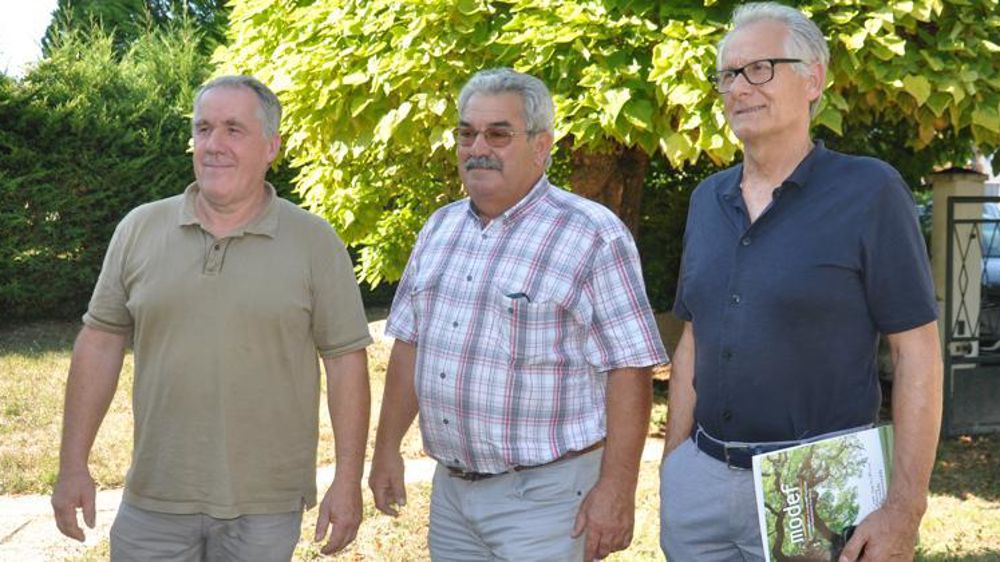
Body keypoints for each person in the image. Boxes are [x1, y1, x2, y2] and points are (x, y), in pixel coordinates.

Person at [659, 3, 943, 561]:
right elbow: (694, 338)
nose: (740, 87)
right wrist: (675, 468)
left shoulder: (869, 192)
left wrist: (905, 507)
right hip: (702, 482)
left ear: (813, 79)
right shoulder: (706, 200)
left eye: (760, 68)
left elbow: (918, 356)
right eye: (728, 74)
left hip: (817, 483)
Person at [50, 75, 373, 561]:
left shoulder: (314, 241)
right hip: (154, 497)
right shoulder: (140, 228)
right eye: (203, 129)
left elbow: (346, 362)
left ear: (271, 146)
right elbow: (99, 343)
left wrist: (347, 481)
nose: (213, 145)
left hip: (265, 504)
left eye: (233, 130)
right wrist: (71, 463)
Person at [368, 67, 667, 561]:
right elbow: (409, 347)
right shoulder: (438, 229)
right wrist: (385, 452)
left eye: (498, 133)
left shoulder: (592, 234)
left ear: (541, 144)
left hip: (548, 501)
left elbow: (629, 368)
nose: (477, 146)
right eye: (466, 133)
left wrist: (616, 491)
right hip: (452, 496)